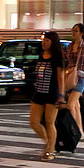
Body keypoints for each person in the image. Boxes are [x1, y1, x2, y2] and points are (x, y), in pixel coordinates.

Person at [29, 30, 65, 160]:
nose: (44, 43)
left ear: (53, 42)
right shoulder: (40, 56)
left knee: (50, 122)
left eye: (47, 40)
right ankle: (48, 143)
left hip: (52, 93)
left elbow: (61, 78)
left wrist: (61, 95)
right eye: (44, 40)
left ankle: (50, 151)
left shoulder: (57, 58)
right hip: (38, 92)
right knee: (33, 122)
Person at [63, 23, 84, 139]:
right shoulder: (70, 46)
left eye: (75, 31)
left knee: (70, 105)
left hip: (80, 78)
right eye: (72, 30)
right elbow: (67, 61)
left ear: (81, 33)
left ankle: (75, 129)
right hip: (70, 77)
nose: (73, 33)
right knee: (76, 106)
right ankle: (80, 131)